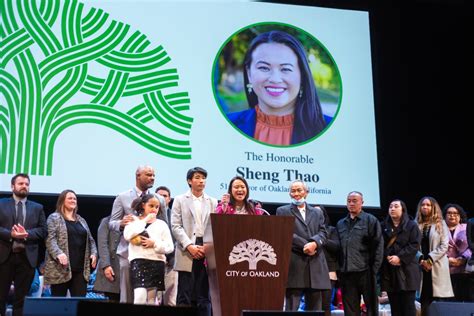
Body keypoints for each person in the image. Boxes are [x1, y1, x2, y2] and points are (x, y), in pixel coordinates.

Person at [228, 30, 330, 146]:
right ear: (249, 73)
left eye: (286, 69)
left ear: (302, 75)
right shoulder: (226, 125)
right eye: (264, 68)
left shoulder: (330, 130)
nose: (275, 79)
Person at [109, 165, 167, 303]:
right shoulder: (122, 197)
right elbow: (111, 223)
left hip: (152, 254)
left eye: (153, 175)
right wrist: (121, 223)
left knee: (151, 298)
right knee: (128, 297)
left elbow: (165, 225)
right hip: (127, 253)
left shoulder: (159, 199)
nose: (152, 177)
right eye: (148, 174)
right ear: (138, 175)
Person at [275, 180, 331, 315]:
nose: (296, 193)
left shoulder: (317, 212)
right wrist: (305, 245)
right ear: (289, 193)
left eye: (299, 190)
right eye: (293, 191)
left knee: (315, 310)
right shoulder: (282, 211)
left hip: (315, 264)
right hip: (295, 264)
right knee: (291, 309)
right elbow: (284, 232)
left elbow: (324, 232)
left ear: (306, 192)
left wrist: (314, 243)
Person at [171, 167, 217, 316]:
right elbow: (176, 226)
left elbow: (216, 226)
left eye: (203, 178)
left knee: (205, 293)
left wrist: (207, 247)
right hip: (187, 248)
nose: (201, 181)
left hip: (207, 247)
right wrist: (189, 245)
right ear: (189, 181)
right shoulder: (179, 199)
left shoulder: (213, 201)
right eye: (197, 177)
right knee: (184, 292)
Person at [0, 173, 47, 316]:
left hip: (27, 258)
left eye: (27, 184)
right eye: (21, 183)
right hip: (4, 257)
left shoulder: (37, 207)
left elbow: (43, 230)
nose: (24, 186)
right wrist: (11, 234)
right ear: (12, 186)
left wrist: (27, 234)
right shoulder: (1, 204)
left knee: (21, 300)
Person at [336, 191, 383, 316]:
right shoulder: (341, 224)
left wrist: (374, 270)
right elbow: (338, 248)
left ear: (362, 202)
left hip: (366, 272)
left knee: (371, 309)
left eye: (354, 201)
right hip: (347, 274)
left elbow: (379, 246)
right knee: (350, 311)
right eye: (349, 201)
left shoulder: (370, 220)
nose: (351, 203)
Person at [43, 189, 98, 297]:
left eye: (75, 198)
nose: (73, 200)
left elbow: (91, 240)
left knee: (79, 305)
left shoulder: (81, 220)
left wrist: (94, 253)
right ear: (62, 201)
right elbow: (50, 239)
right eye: (70, 198)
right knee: (58, 307)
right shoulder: (54, 218)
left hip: (80, 270)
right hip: (60, 269)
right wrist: (58, 253)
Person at [124, 194, 174, 305]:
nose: (154, 209)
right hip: (139, 262)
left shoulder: (162, 224)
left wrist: (154, 243)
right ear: (143, 205)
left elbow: (170, 247)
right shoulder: (134, 220)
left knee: (152, 300)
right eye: (151, 206)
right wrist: (145, 220)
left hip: (156, 263)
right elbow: (127, 235)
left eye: (156, 207)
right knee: (139, 297)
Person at [380, 199, 421, 316]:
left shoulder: (411, 225)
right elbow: (378, 244)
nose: (392, 208)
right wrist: (387, 256)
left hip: (407, 271)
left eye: (396, 206)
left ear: (403, 210)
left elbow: (414, 245)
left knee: (408, 306)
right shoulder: (383, 226)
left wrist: (400, 257)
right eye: (390, 206)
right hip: (389, 271)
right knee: (395, 307)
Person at [415, 196, 454, 316]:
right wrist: (421, 260)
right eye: (423, 205)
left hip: (436, 265)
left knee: (436, 300)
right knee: (423, 299)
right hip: (421, 266)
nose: (425, 207)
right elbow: (412, 245)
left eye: (428, 205)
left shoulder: (441, 224)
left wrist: (430, 260)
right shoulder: (415, 224)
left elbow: (444, 245)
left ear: (433, 207)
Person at [443, 203, 471, 302]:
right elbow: (435, 246)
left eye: (456, 213)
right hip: (445, 270)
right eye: (449, 213)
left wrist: (463, 258)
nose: (452, 215)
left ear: (460, 216)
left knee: (464, 300)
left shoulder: (467, 227)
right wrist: (447, 259)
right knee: (448, 302)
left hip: (465, 270)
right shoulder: (438, 229)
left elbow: (472, 246)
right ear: (445, 215)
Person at [155, 185, 178, 306]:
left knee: (170, 300)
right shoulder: (151, 217)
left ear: (169, 199)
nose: (162, 198)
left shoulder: (175, 215)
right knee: (155, 300)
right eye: (159, 195)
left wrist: (170, 256)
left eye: (165, 196)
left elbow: (177, 237)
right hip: (155, 261)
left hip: (172, 261)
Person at [93, 215, 121, 302]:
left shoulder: (135, 222)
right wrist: (106, 266)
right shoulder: (107, 221)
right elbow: (102, 245)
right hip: (113, 267)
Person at [318, 206, 340, 313]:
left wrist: (321, 238)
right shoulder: (307, 230)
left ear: (324, 215)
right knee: (312, 304)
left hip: (328, 270)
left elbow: (336, 247)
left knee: (326, 304)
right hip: (311, 269)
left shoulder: (332, 230)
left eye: (319, 212)